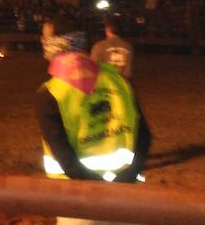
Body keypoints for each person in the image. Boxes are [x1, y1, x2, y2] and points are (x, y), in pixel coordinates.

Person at [37, 17, 150, 224]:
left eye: (45, 38)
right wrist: (125, 180)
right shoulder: (121, 82)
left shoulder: (51, 93)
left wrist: (97, 188)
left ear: (55, 45)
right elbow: (144, 137)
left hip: (77, 200)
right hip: (126, 193)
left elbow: (64, 155)